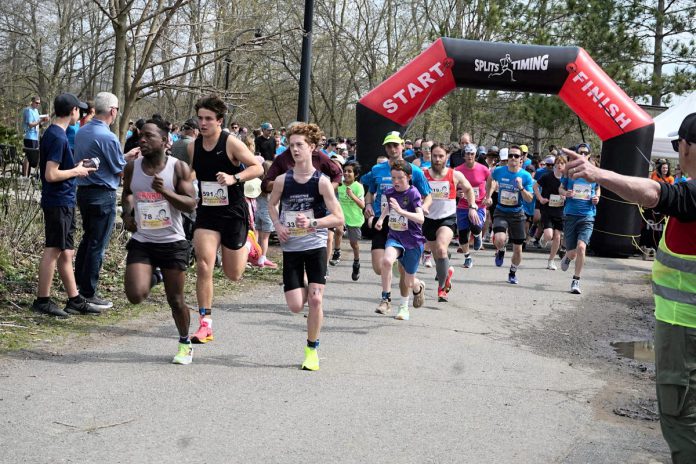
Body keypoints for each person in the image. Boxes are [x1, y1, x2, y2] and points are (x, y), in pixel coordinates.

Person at [563, 112, 696, 461]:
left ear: (685, 148)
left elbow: (653, 193)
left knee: (681, 417)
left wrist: (596, 174)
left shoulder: (693, 194)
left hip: (686, 329)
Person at [267, 122, 344, 371]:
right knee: (295, 306)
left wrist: (312, 222)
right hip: (291, 247)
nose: (295, 149)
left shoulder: (321, 182)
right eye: (291, 146)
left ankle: (312, 349)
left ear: (312, 147)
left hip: (315, 245)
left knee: (316, 300)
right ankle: (302, 283)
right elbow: (271, 205)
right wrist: (278, 224)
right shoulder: (282, 180)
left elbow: (338, 218)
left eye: (300, 145)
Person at [187, 95, 263, 344]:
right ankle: (205, 324)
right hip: (208, 212)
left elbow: (257, 168)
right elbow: (191, 173)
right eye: (200, 118)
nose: (203, 123)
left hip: (232, 213)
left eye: (209, 119)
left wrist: (235, 178)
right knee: (204, 265)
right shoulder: (193, 146)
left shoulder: (230, 142)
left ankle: (249, 244)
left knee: (233, 274)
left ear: (220, 121)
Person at [121, 119, 197, 364]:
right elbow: (127, 194)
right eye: (141, 136)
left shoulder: (178, 168)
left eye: (149, 136)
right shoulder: (132, 167)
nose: (142, 140)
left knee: (175, 300)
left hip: (172, 241)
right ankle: (156, 276)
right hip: (143, 239)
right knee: (135, 295)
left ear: (165, 142)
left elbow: (191, 203)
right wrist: (127, 214)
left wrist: (165, 192)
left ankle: (185, 343)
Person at [32, 93, 98, 317]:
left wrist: (75, 166)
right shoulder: (58, 137)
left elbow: (57, 168)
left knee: (66, 252)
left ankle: (75, 299)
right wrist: (77, 171)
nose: (79, 113)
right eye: (78, 110)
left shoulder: (54, 133)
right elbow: (51, 174)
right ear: (73, 111)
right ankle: (43, 300)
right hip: (58, 201)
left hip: (64, 200)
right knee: (54, 249)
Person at [73, 92, 140, 309]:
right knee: (97, 244)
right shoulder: (108, 137)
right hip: (102, 194)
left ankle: (77, 285)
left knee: (88, 239)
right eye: (118, 110)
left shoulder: (82, 132)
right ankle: (88, 292)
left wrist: (125, 156)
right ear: (113, 111)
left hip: (84, 191)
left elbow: (106, 160)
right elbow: (118, 169)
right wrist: (129, 162)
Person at [363, 131, 432, 313]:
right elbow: (371, 190)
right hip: (384, 220)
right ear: (385, 148)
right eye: (388, 146)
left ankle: (401, 305)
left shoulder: (414, 171)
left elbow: (428, 196)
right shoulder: (377, 169)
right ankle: (393, 263)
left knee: (404, 273)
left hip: (407, 225)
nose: (392, 149)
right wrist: (368, 205)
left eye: (395, 145)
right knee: (380, 266)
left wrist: (422, 207)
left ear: (402, 146)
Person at [424, 143, 478, 302]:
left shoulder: (455, 174)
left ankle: (441, 289)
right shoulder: (423, 174)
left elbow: (468, 189)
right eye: (435, 156)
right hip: (428, 219)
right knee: (437, 255)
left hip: (447, 218)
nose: (438, 159)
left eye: (441, 156)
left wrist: (472, 206)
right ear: (430, 156)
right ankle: (446, 274)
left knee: (441, 249)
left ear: (446, 157)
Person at [374, 160, 425, 320]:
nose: (396, 182)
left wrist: (401, 211)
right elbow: (389, 207)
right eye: (393, 178)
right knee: (387, 261)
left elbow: (421, 218)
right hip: (395, 236)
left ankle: (418, 287)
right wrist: (381, 219)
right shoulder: (389, 192)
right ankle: (386, 299)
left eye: (400, 178)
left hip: (413, 241)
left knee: (409, 282)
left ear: (409, 177)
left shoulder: (413, 193)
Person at [484, 145, 534, 284]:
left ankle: (512, 272)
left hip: (517, 213)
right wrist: (488, 196)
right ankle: (501, 250)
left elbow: (529, 198)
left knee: (518, 250)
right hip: (501, 210)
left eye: (516, 156)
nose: (512, 158)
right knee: (499, 239)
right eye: (510, 155)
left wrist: (521, 187)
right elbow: (489, 180)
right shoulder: (499, 171)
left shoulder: (525, 176)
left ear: (521, 159)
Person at [558, 147, 600, 294]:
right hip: (570, 214)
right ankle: (567, 257)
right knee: (572, 252)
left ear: (589, 155)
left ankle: (576, 280)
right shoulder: (570, 172)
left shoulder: (594, 171)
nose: (582, 155)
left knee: (582, 247)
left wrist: (597, 198)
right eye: (580, 152)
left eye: (585, 153)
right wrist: (566, 193)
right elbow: (560, 188)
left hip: (587, 215)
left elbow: (598, 188)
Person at [455, 142, 491, 267]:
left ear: (475, 155)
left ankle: (477, 235)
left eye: (472, 154)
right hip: (463, 205)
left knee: (475, 225)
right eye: (467, 154)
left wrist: (489, 196)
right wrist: (457, 193)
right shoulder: (458, 170)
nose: (469, 156)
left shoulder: (483, 169)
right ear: (463, 155)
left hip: (479, 204)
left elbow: (493, 182)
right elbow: (450, 186)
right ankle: (467, 257)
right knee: (463, 234)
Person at [534, 155, 566, 270]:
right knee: (549, 235)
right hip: (547, 209)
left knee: (557, 237)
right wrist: (540, 198)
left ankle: (551, 260)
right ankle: (544, 238)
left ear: (565, 165)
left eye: (562, 163)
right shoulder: (547, 177)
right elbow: (535, 186)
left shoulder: (567, 179)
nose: (559, 165)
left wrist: (568, 196)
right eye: (557, 163)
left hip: (560, 211)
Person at [335, 161, 365, 280]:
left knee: (354, 244)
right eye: (345, 171)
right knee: (338, 230)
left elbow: (362, 205)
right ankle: (337, 252)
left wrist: (352, 196)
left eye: (350, 171)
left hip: (354, 219)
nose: (346, 173)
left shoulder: (358, 187)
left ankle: (356, 262)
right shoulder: (339, 185)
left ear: (355, 174)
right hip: (341, 217)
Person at [254, 160, 278, 269]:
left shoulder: (256, 183)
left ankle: (256, 256)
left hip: (257, 211)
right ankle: (263, 258)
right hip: (268, 213)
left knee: (257, 235)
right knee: (265, 238)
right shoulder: (271, 185)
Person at [21, 96, 47, 177]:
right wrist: (40, 121)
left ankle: (29, 175)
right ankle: (25, 176)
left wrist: (43, 122)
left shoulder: (36, 111)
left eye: (39, 103)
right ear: (32, 102)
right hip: (29, 136)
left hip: (35, 137)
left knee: (33, 156)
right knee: (28, 156)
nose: (38, 104)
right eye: (36, 103)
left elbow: (38, 125)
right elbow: (30, 124)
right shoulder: (28, 110)